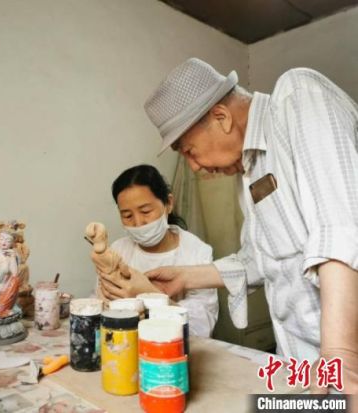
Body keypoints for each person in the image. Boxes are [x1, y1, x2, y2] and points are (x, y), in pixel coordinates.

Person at [132, 57, 357, 394]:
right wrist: (186, 277)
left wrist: (341, 356)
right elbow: (262, 259)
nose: (194, 167)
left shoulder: (298, 95)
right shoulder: (252, 169)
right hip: (307, 368)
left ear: (221, 117)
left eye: (190, 151)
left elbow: (339, 230)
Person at [97, 164, 218, 338]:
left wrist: (151, 296)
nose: (138, 223)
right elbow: (99, 307)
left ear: (168, 204)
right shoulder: (118, 250)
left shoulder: (196, 252)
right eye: (127, 215)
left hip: (174, 347)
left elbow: (201, 327)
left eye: (146, 211)